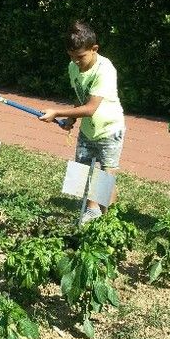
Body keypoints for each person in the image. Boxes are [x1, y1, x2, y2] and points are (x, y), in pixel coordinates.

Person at [39, 20, 126, 224]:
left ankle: (108, 220)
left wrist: (57, 112)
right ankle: (92, 210)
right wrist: (70, 118)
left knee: (106, 178)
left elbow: (90, 107)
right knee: (83, 171)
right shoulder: (73, 67)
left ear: (94, 49)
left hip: (109, 130)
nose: (76, 61)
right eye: (71, 57)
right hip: (88, 130)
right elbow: (81, 97)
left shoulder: (105, 69)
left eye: (80, 57)